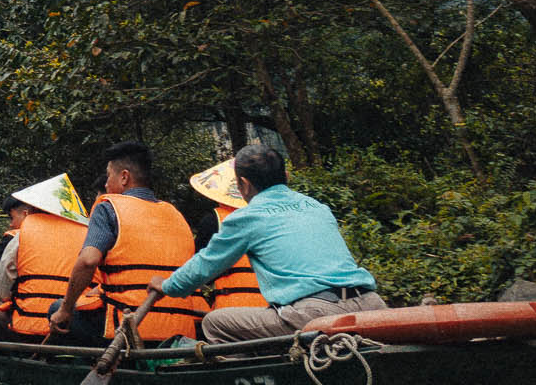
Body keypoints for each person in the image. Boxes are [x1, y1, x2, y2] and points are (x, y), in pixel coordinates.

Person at [149, 144, 386, 342]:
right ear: (286, 177)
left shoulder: (247, 217)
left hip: (314, 313)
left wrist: (167, 286)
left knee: (214, 323)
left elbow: (204, 266)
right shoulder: (318, 207)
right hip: (371, 304)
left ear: (244, 184)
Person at [48, 142, 208, 344]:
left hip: (125, 330)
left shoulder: (108, 208)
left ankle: (89, 366)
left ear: (124, 177)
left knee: (57, 309)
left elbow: (88, 261)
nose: (106, 184)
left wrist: (66, 308)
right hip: (178, 329)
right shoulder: (176, 215)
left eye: (108, 176)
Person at [0, 173, 101, 343]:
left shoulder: (21, 235)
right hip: (72, 329)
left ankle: (7, 357)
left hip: (28, 331)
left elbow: (3, 291)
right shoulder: (93, 236)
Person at [186, 158, 267, 311]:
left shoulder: (214, 220)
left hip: (231, 311)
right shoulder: (271, 217)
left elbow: (197, 270)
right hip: (274, 309)